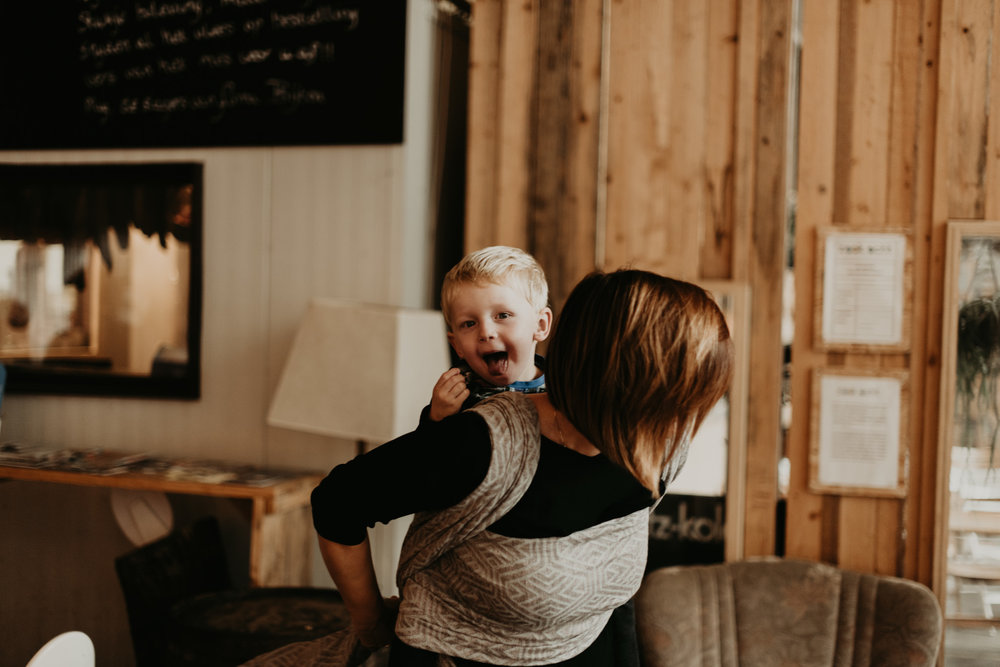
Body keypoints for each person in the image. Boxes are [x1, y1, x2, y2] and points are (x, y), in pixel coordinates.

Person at [251, 269, 733, 667]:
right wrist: (371, 623)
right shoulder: (483, 446)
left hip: (600, 645)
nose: (686, 413)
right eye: (679, 390)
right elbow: (338, 502)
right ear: (625, 381)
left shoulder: (666, 440)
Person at [421, 245, 552, 425]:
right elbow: (425, 452)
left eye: (503, 316)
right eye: (469, 324)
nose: (486, 333)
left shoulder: (563, 393)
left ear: (540, 325)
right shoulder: (457, 400)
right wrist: (436, 417)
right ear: (456, 344)